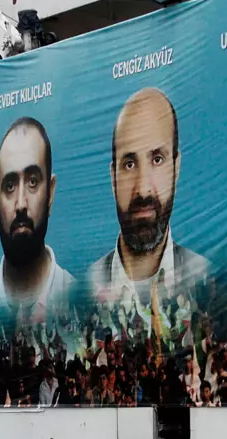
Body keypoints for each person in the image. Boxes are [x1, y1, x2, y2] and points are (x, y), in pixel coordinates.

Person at [88, 87, 208, 316]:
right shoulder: (82, 289)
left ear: (176, 167)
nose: (143, 189)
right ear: (113, 178)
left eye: (157, 159)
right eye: (129, 164)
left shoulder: (207, 278)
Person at [0, 117, 74, 317]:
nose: (21, 204)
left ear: (50, 193)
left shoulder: (75, 300)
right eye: (9, 186)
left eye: (33, 182)